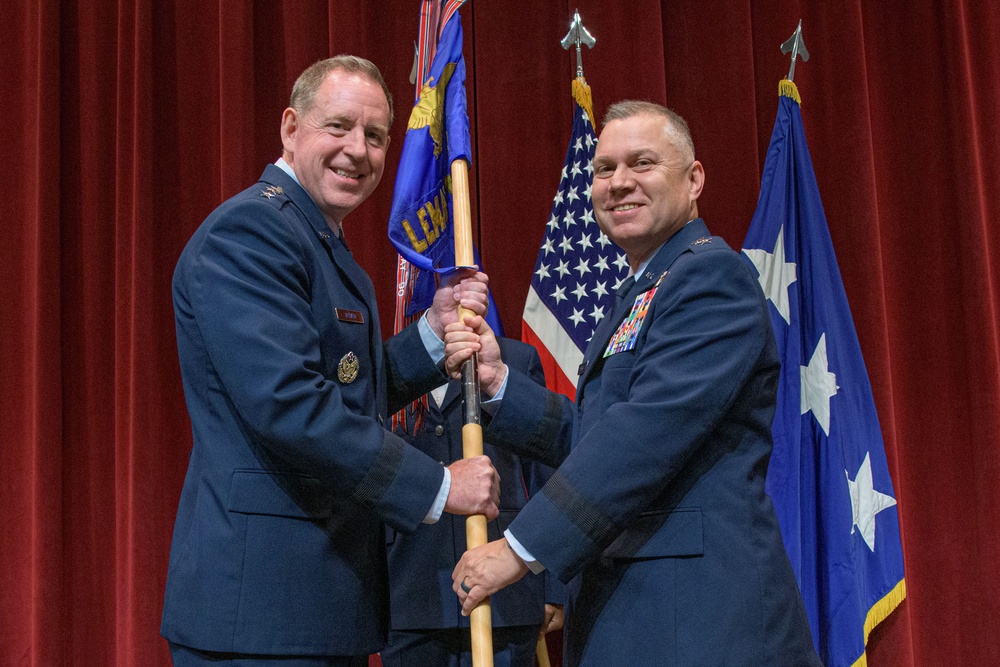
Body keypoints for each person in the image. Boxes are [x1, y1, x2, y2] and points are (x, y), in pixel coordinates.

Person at [444, 101, 822, 666]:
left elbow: (644, 435)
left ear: (694, 179)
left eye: (642, 164)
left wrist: (520, 551)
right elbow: (597, 435)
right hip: (638, 615)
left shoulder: (710, 277)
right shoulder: (642, 288)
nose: (619, 183)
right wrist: (501, 383)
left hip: (700, 622)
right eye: (604, 169)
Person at [160, 55, 501, 667]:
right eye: (338, 127)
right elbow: (289, 404)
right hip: (262, 612)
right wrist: (439, 484)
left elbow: (348, 388)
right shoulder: (252, 233)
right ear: (291, 129)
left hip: (315, 605)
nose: (357, 150)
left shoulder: (319, 242)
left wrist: (432, 330)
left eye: (374, 136)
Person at [381, 337, 564, 667]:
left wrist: (554, 587)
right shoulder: (389, 361)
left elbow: (544, 470)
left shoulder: (515, 359)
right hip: (410, 585)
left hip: (508, 592)